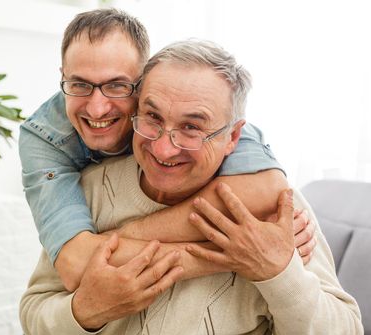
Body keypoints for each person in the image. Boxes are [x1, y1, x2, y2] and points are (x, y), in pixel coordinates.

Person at [20, 39, 363, 335]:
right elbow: (35, 318)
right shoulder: (91, 191)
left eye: (191, 128)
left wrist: (277, 272)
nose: (164, 149)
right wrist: (86, 311)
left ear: (233, 137)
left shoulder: (274, 211)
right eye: (152, 117)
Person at [18, 8, 315, 292]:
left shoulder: (193, 111)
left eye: (118, 86)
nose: (97, 108)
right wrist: (233, 257)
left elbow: (266, 188)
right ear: (62, 76)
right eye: (79, 84)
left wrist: (115, 240)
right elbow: (77, 264)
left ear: (144, 81)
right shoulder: (43, 137)